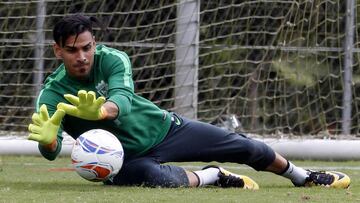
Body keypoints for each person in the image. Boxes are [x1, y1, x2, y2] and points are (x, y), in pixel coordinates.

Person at [28, 14, 350, 189]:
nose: (82, 56)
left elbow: (122, 100)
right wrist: (47, 145)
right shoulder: (52, 93)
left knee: (244, 146)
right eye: (72, 50)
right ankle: (214, 176)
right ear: (58, 51)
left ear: (94, 43)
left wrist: (102, 110)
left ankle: (303, 176)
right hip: (124, 162)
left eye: (86, 47)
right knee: (155, 180)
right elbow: (52, 146)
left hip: (165, 130)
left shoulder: (113, 59)